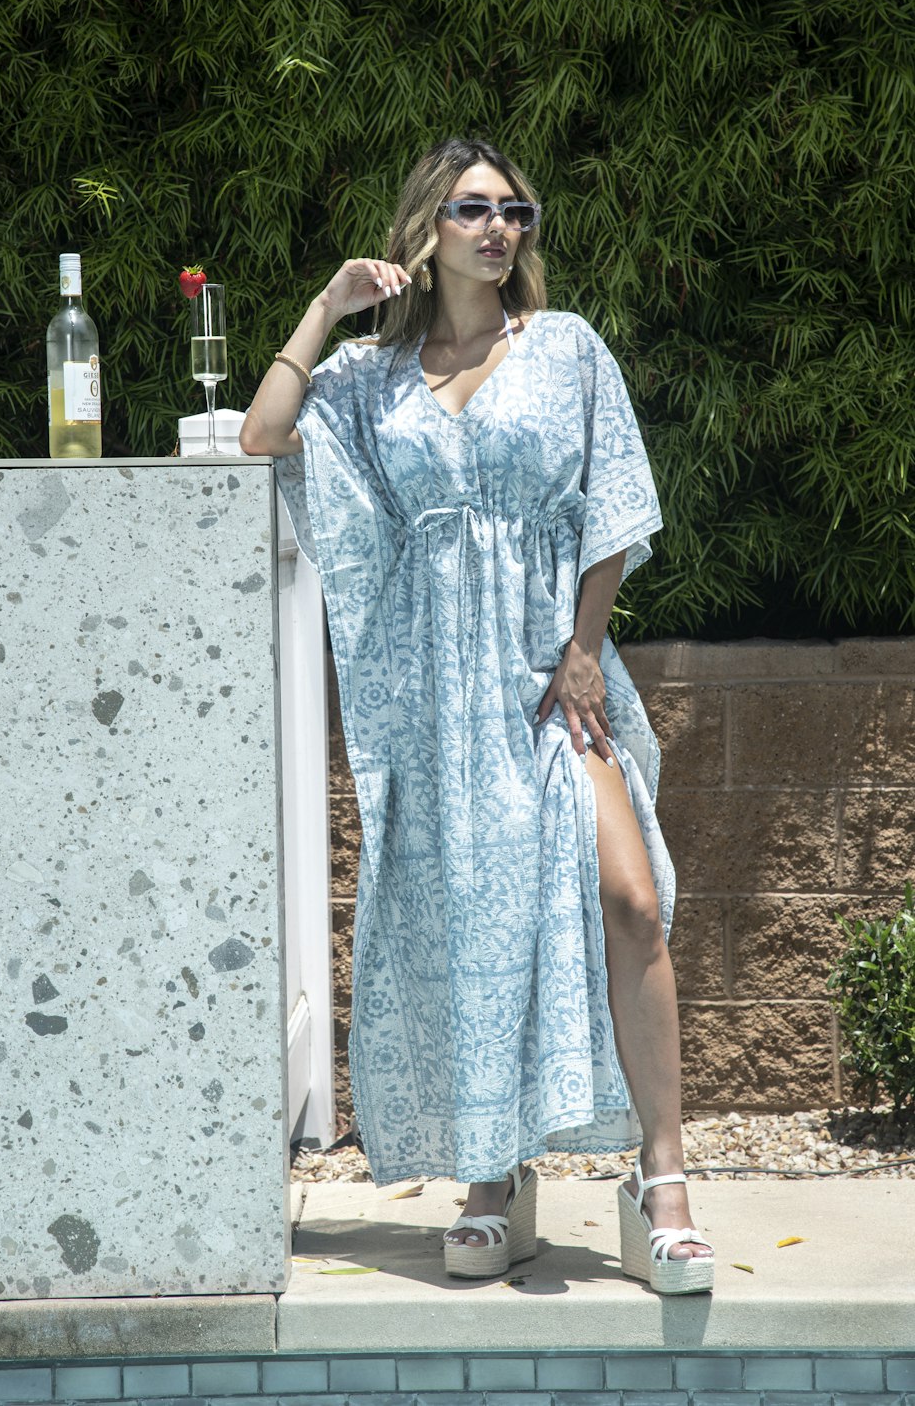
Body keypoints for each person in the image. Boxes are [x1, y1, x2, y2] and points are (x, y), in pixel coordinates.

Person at [240, 137, 714, 1294]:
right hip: (442, 701)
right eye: (472, 209)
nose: (499, 228)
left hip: (553, 676)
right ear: (427, 227)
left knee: (630, 898)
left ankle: (662, 1181)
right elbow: (262, 435)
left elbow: (612, 505)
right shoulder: (370, 377)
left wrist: (586, 655)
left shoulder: (562, 349)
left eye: (515, 212)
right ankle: (495, 1180)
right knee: (474, 933)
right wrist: (326, 306)